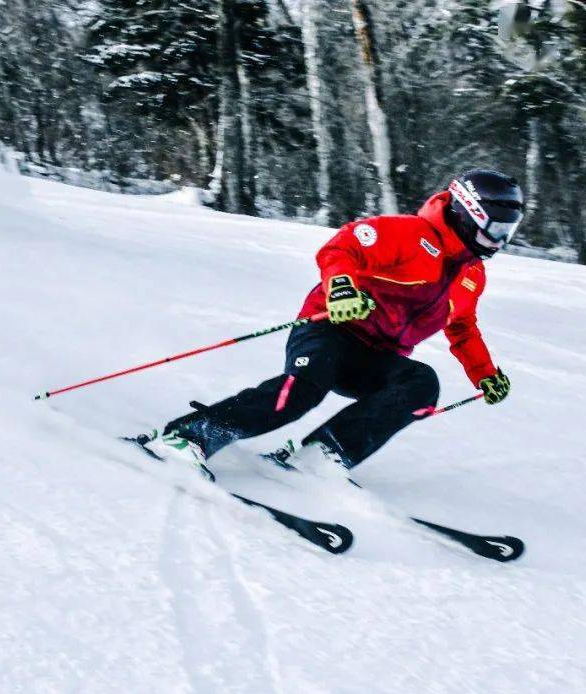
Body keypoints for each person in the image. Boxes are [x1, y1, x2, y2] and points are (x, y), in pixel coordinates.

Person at [143, 168, 523, 480]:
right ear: (467, 213)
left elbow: (461, 327)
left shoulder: (471, 274)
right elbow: (341, 247)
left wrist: (484, 373)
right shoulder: (409, 235)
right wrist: (342, 287)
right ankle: (188, 437)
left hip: (374, 355)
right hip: (329, 328)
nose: (500, 242)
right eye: (496, 229)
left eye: (509, 232)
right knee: (305, 389)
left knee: (421, 383)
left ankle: (323, 455)